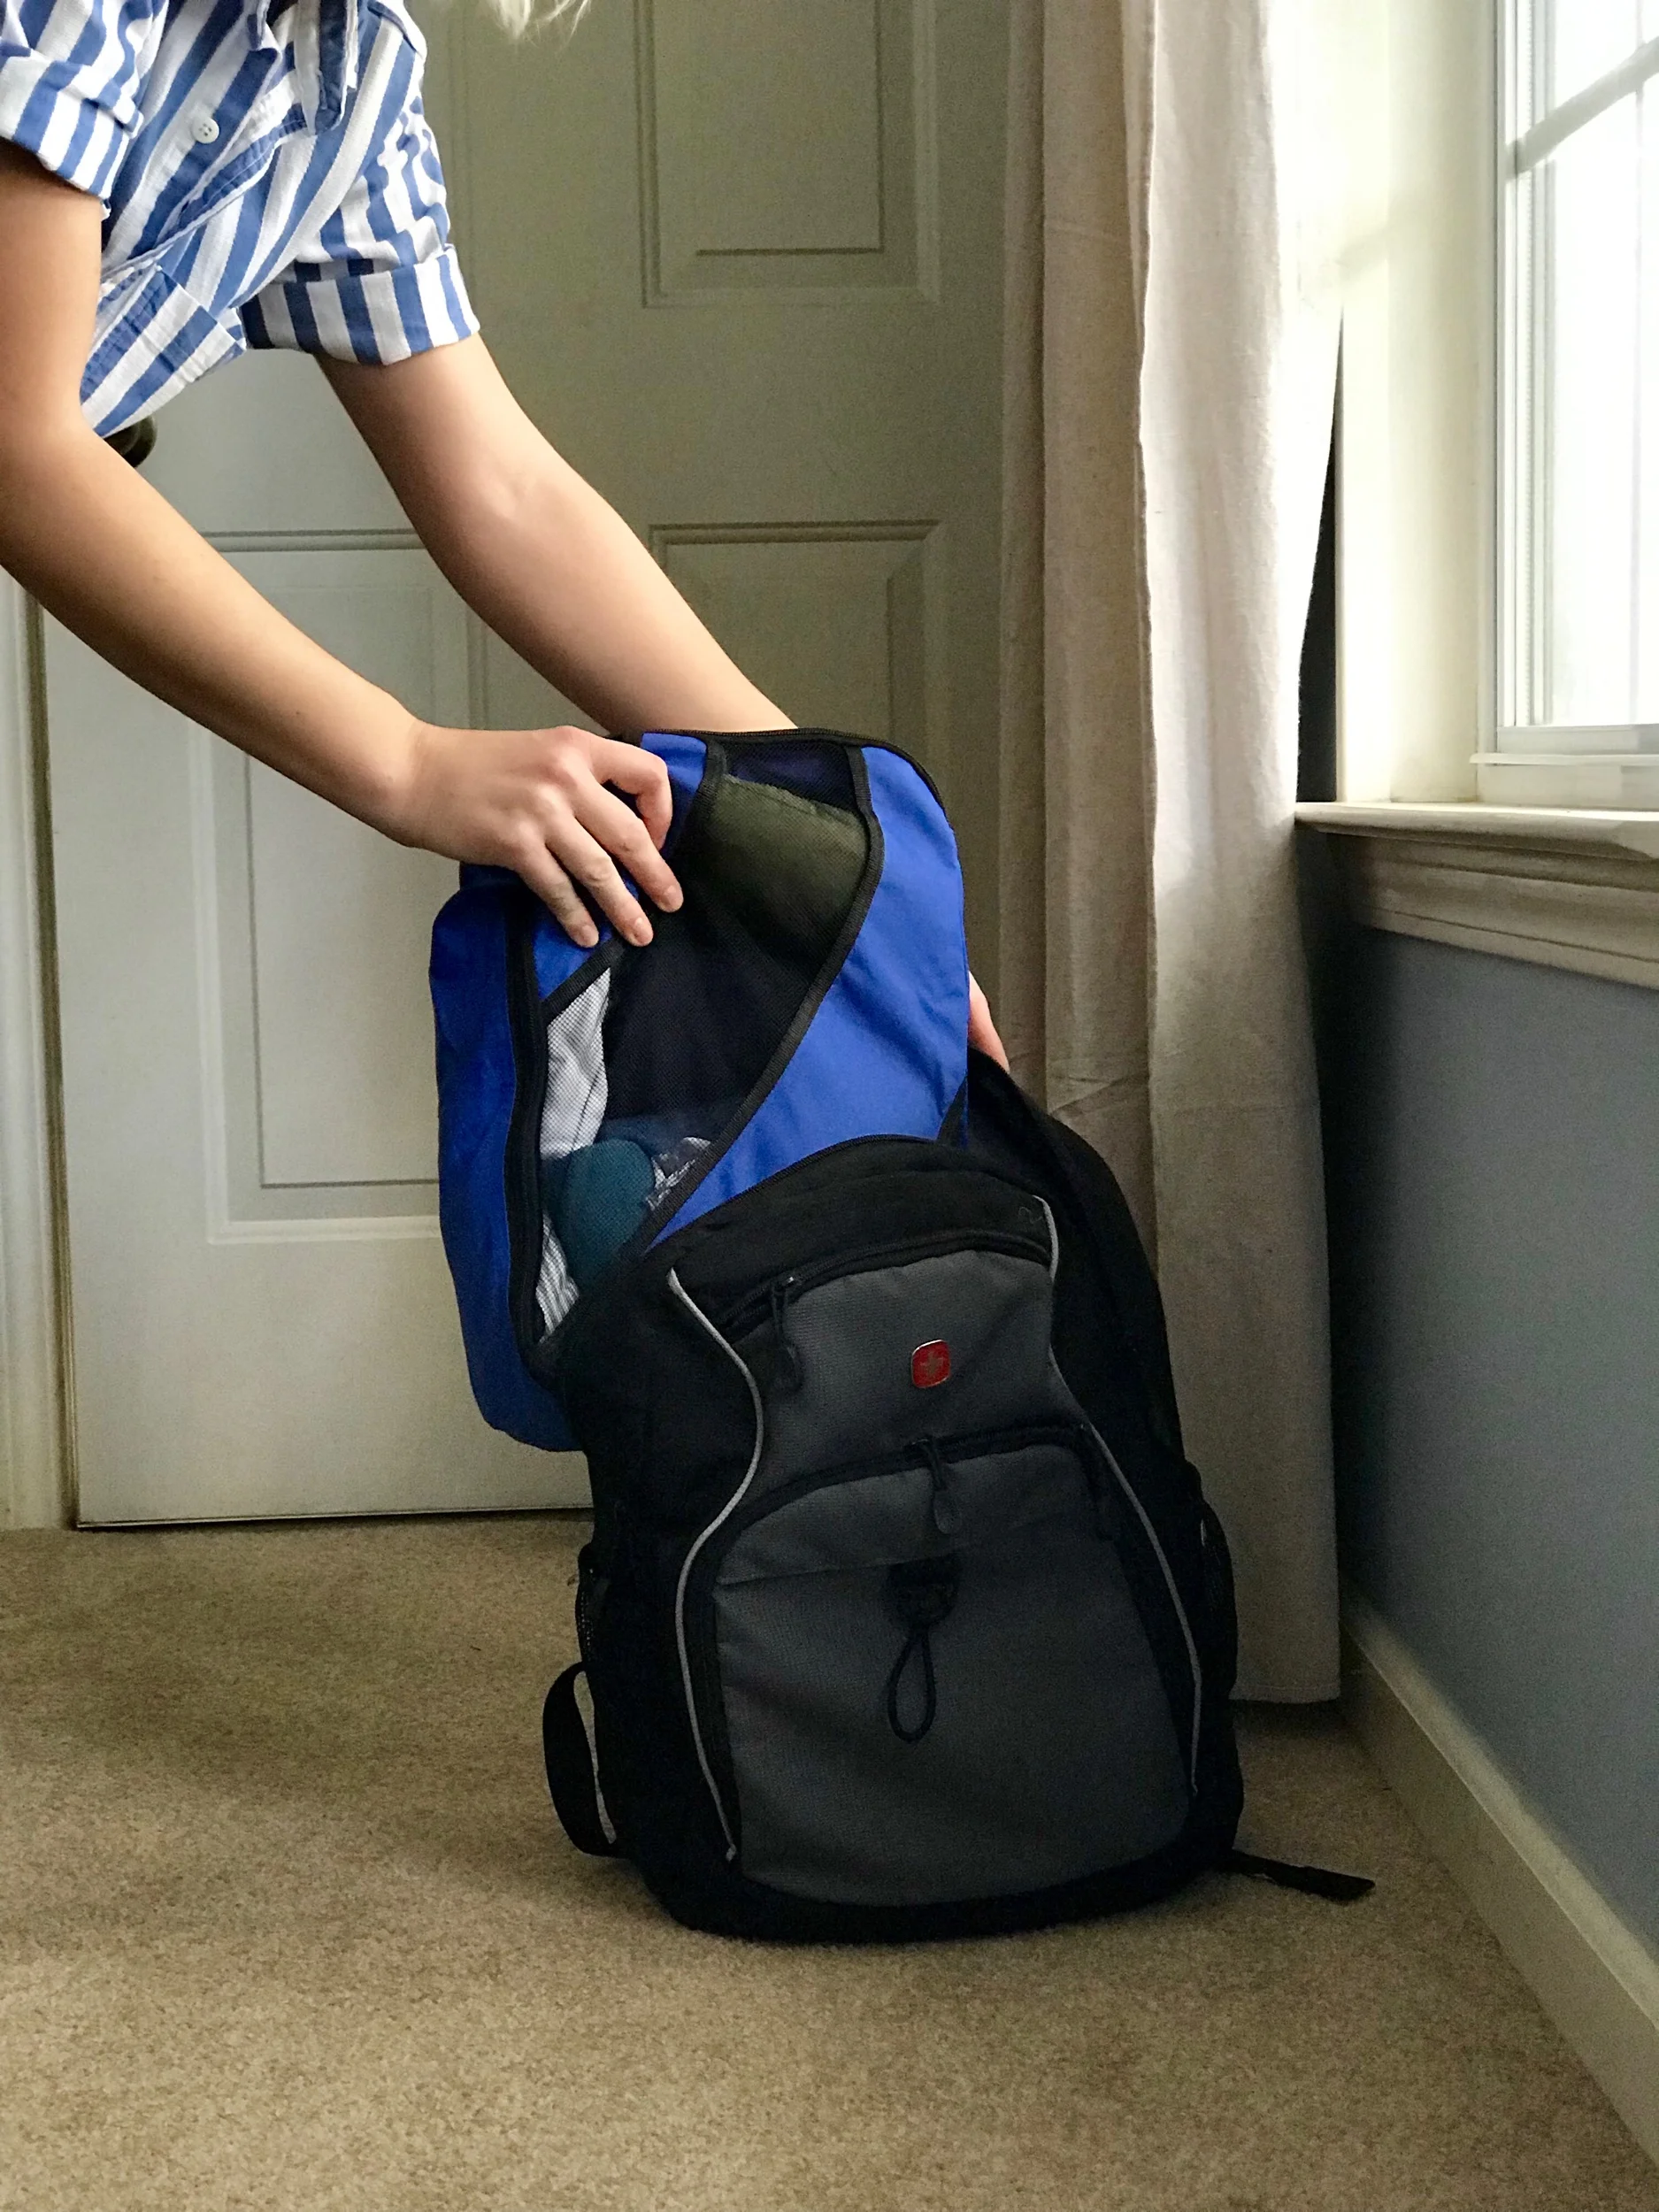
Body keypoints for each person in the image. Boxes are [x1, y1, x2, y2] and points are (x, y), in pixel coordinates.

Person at [0, 0, 1006, 1053]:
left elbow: (505, 491)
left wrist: (834, 861)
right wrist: (411, 763)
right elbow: (22, 443)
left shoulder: (348, 76)